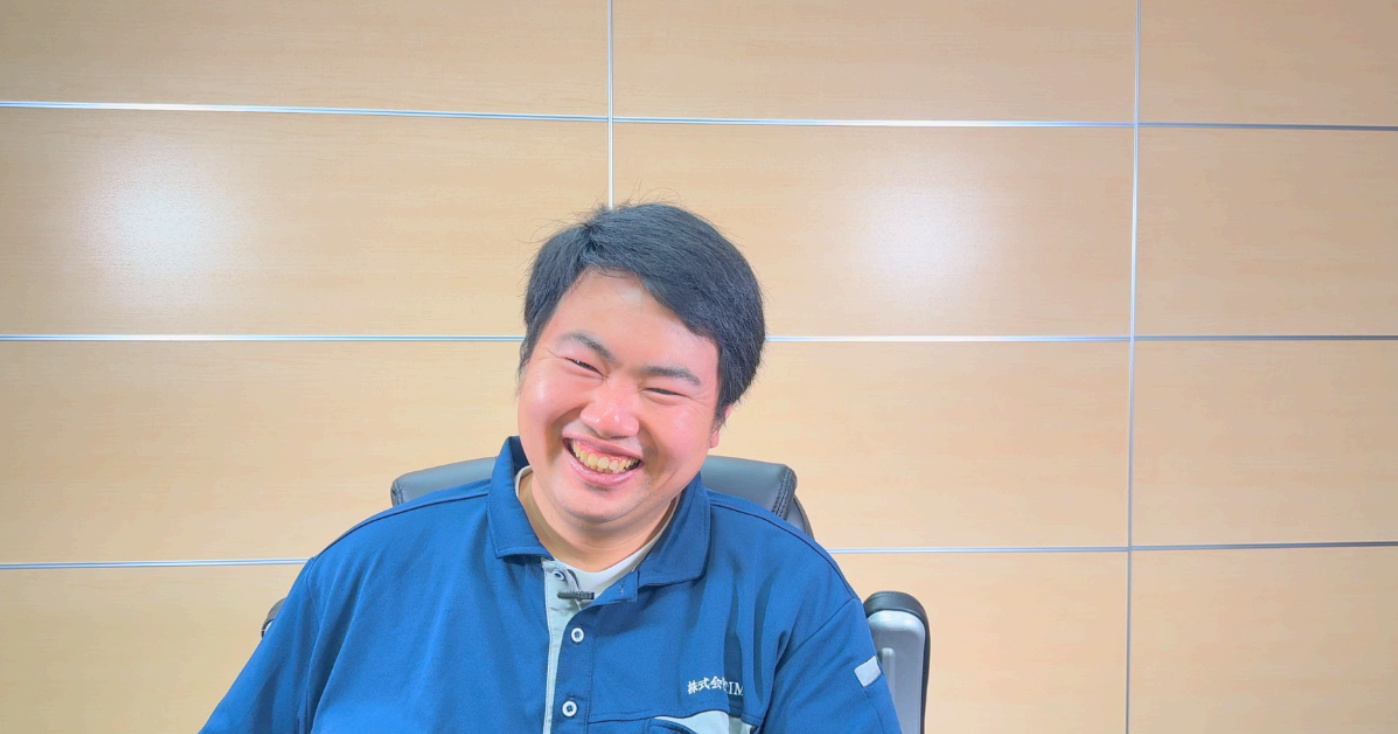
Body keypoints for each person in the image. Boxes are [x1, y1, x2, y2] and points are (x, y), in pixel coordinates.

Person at [200, 203, 902, 733]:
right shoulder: (360, 573)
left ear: (717, 420)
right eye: (582, 364)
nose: (610, 418)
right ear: (525, 364)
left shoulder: (796, 596)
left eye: (663, 389)